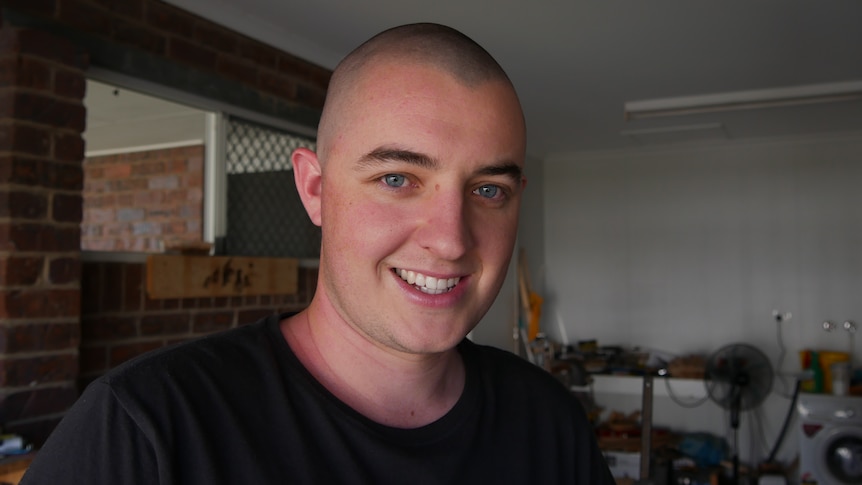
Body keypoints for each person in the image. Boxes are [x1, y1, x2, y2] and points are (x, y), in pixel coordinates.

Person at [22, 23, 614, 484]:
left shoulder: (549, 424)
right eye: (397, 178)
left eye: (489, 190)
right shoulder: (142, 430)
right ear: (314, 189)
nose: (451, 239)